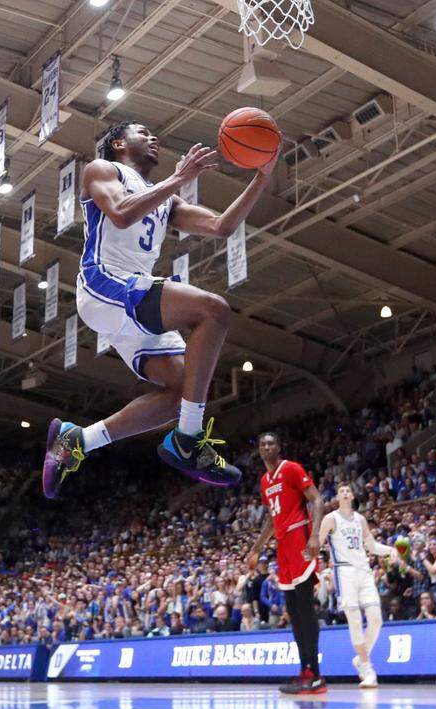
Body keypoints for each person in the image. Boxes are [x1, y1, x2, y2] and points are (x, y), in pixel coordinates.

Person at [43, 122, 277, 496]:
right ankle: (188, 440)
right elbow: (119, 213)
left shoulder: (165, 198)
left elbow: (220, 226)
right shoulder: (102, 170)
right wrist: (177, 179)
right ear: (119, 143)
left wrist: (261, 177)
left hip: (130, 297)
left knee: (183, 392)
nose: (154, 138)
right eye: (143, 132)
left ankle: (77, 441)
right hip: (106, 283)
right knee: (213, 310)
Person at [246, 431, 325, 694]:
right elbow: (271, 518)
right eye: (262, 444)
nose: (267, 447)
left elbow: (317, 499)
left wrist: (314, 535)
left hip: (299, 537)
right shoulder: (265, 481)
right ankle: (304, 670)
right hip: (282, 547)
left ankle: (316, 674)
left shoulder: (291, 468)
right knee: (294, 613)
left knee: (306, 609)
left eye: (271, 443)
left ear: (278, 447)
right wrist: (255, 549)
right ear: (259, 450)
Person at [318, 483, 398, 688]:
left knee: (376, 620)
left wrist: (390, 549)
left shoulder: (361, 520)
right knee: (354, 621)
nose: (345, 493)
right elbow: (316, 543)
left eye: (347, 491)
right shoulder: (330, 519)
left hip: (364, 572)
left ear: (352, 496)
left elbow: (371, 547)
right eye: (341, 491)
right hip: (344, 572)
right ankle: (367, 667)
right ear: (337, 497)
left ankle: (361, 658)